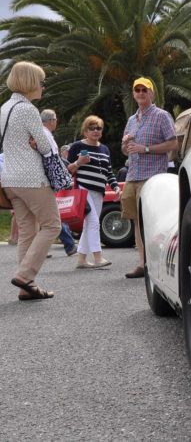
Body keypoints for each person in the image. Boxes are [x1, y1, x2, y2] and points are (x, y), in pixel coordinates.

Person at [0, 61, 59, 300]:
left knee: (27, 231)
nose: (43, 86)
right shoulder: (28, 110)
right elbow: (45, 145)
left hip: (10, 179)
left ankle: (27, 288)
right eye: (41, 82)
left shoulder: (5, 107)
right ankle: (25, 275)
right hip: (32, 178)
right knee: (52, 225)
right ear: (30, 82)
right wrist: (37, 143)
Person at [121, 77, 177, 278]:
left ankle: (158, 263)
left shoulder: (162, 116)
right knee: (136, 220)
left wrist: (144, 148)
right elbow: (126, 151)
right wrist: (126, 145)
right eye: (137, 90)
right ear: (134, 94)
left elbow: (173, 144)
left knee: (152, 221)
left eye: (145, 90)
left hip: (152, 175)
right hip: (133, 174)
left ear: (152, 93)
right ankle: (142, 263)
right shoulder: (131, 120)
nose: (141, 93)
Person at [66, 115, 120, 268]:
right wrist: (78, 162)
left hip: (99, 191)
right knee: (94, 222)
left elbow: (109, 171)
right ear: (85, 131)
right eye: (92, 128)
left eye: (99, 128)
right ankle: (98, 257)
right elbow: (67, 170)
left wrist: (115, 187)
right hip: (83, 189)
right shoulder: (77, 146)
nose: (96, 131)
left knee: (89, 224)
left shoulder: (104, 149)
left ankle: (81, 260)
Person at [41, 109, 77, 257]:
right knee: (53, 217)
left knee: (47, 216)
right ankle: (69, 245)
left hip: (45, 181)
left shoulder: (44, 134)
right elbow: (53, 161)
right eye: (55, 119)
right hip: (47, 182)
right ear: (51, 121)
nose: (57, 122)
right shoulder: (45, 135)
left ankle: (65, 245)